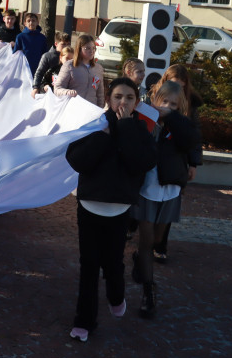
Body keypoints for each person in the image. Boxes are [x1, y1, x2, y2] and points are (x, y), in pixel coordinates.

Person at [64, 77, 156, 342]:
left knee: (113, 263)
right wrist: (102, 137)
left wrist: (126, 127)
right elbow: (77, 160)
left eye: (129, 98)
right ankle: (84, 321)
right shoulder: (94, 125)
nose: (123, 102)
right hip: (90, 205)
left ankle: (116, 296)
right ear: (108, 99)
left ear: (136, 102)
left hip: (119, 208)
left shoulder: (140, 129)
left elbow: (141, 162)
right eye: (118, 97)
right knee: (89, 266)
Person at [132, 80, 200, 318]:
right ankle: (149, 292)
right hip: (146, 189)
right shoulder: (146, 121)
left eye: (173, 104)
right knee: (146, 239)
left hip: (170, 189)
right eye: (164, 102)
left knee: (158, 239)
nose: (168, 106)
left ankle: (140, 260)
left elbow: (191, 140)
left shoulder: (181, 125)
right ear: (155, 100)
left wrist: (172, 117)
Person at [150, 64, 204, 264]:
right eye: (173, 84)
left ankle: (160, 244)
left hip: (175, 161)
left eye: (181, 86)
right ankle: (136, 231)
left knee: (168, 203)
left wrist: (193, 163)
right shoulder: (154, 99)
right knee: (146, 201)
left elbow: (194, 137)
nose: (177, 90)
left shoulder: (190, 105)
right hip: (153, 161)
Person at [54, 34, 106, 107]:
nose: (92, 51)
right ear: (79, 49)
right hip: (73, 109)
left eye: (94, 48)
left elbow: (100, 95)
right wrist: (67, 92)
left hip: (91, 111)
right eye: (87, 48)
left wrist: (100, 111)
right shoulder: (69, 66)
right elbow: (57, 89)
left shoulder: (98, 68)